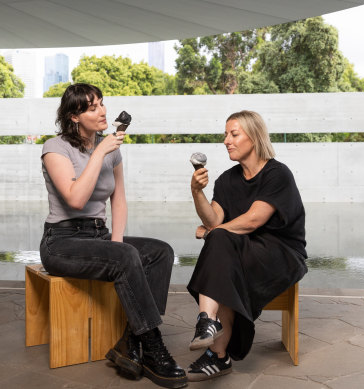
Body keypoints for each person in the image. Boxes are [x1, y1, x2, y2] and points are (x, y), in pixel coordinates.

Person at [39, 83, 187, 389]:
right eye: (92, 107)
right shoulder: (55, 148)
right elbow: (76, 199)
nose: (102, 111)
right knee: (126, 256)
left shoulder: (111, 152)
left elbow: (118, 200)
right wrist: (99, 152)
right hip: (62, 241)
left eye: (102, 104)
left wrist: (117, 241)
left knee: (161, 252)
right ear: (74, 116)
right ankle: (153, 348)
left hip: (100, 237)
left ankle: (131, 341)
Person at [186, 110, 308, 381]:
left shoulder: (278, 173)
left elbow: (253, 220)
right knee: (222, 258)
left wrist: (211, 232)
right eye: (225, 135)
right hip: (245, 248)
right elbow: (213, 218)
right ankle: (209, 328)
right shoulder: (227, 180)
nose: (226, 140)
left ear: (253, 136)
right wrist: (197, 192)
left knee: (219, 245)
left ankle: (214, 346)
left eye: (234, 134)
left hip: (282, 253)